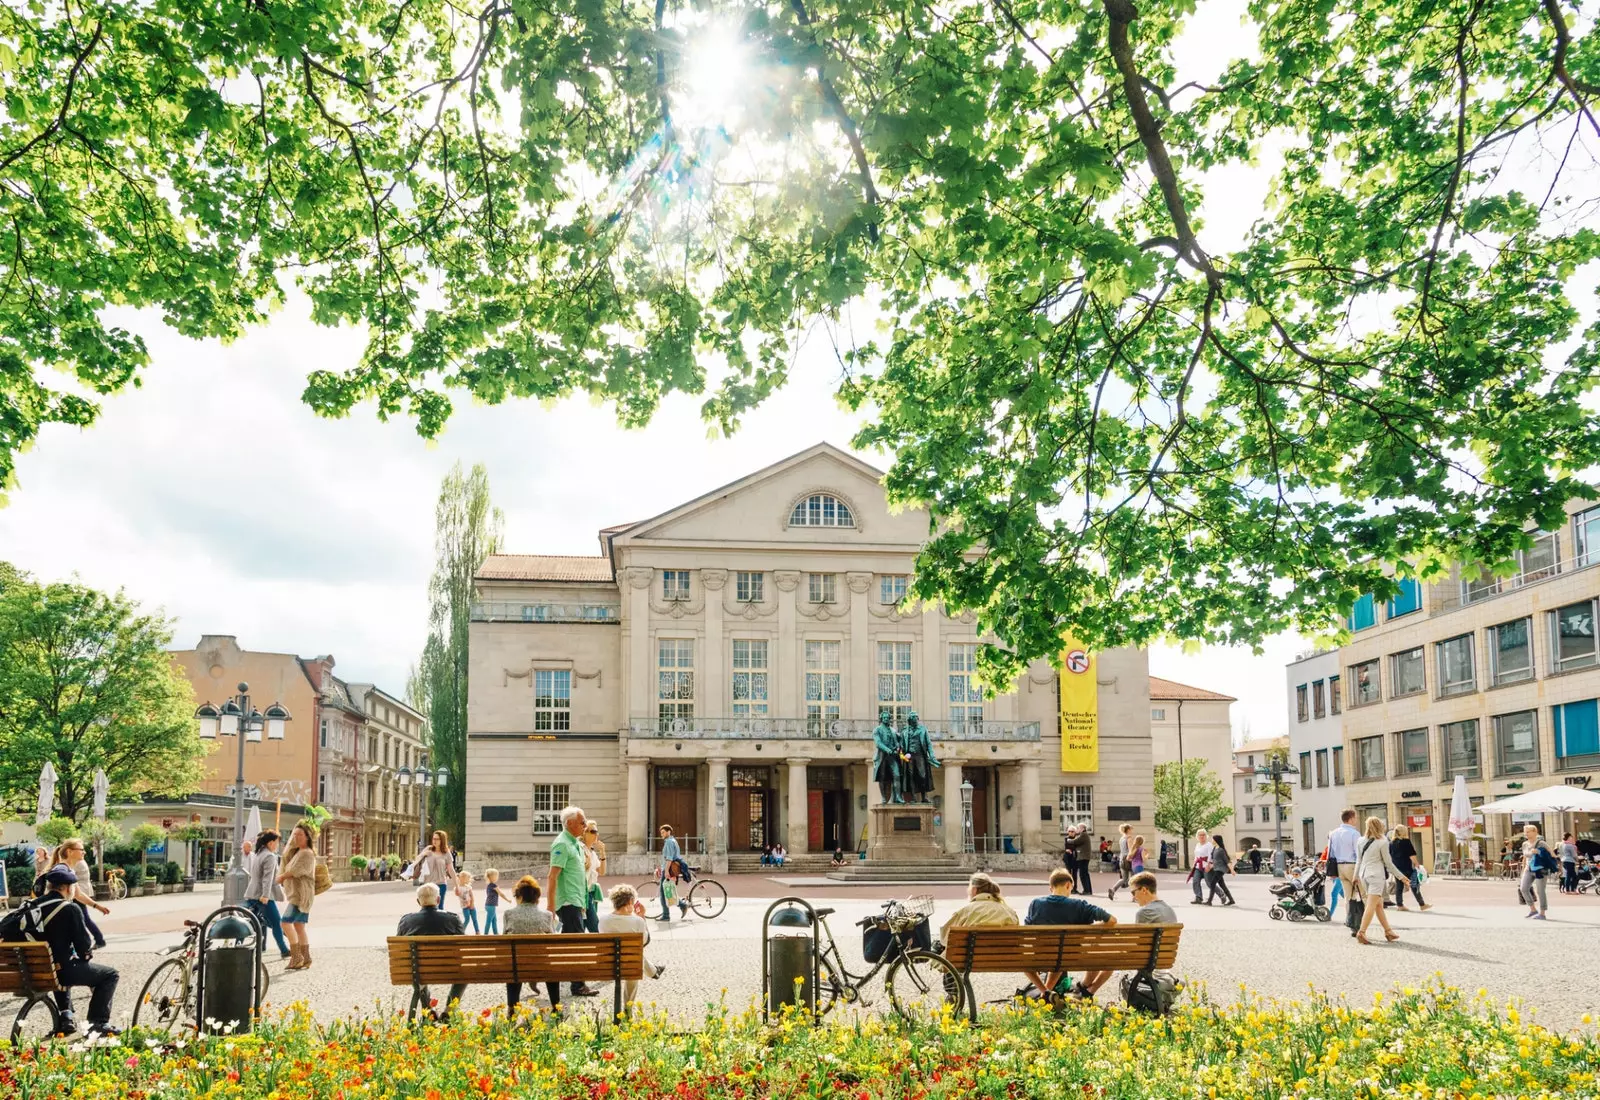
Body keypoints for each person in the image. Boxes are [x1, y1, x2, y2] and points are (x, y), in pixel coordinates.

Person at [27, 865, 119, 1038]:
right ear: (68, 888)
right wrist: (86, 955)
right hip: (61, 972)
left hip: (31, 972)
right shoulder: (70, 908)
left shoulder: (30, 906)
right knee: (110, 975)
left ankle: (66, 1016)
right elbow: (83, 945)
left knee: (56, 966)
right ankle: (97, 1024)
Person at [1024, 867, 1118, 1000]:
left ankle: (1044, 991)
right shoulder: (1079, 905)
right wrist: (1089, 927)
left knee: (1054, 956)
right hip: (1070, 957)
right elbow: (1112, 920)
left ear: (1051, 888)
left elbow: (1028, 929)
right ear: (1068, 885)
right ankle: (1057, 992)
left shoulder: (1035, 904)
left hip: (1041, 954)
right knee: (1066, 955)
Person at [548, 806, 602, 997]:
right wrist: (550, 907)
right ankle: (577, 985)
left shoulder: (574, 844)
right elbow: (552, 876)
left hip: (577, 901)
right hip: (569, 902)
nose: (585, 825)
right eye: (582, 822)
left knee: (570, 943)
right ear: (569, 823)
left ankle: (570, 980)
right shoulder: (562, 844)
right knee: (576, 945)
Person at [397, 883, 467, 1019]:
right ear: (438, 900)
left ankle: (428, 1009)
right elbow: (461, 947)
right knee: (464, 973)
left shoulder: (406, 921)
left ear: (418, 902)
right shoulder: (453, 919)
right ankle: (449, 1010)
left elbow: (401, 952)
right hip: (450, 969)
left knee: (414, 968)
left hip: (418, 971)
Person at [597, 884, 665, 1014]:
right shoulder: (637, 921)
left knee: (631, 954)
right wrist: (642, 917)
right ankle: (628, 1012)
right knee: (635, 955)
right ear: (629, 902)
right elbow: (644, 942)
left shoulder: (603, 920)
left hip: (608, 965)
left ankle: (653, 970)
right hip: (631, 965)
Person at [503, 877, 560, 1013]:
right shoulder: (547, 915)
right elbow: (551, 940)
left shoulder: (509, 914)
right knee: (550, 969)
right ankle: (555, 1006)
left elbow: (504, 937)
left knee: (514, 965)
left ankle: (512, 1007)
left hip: (517, 965)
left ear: (519, 896)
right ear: (537, 897)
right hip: (542, 964)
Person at [49, 839, 109, 949]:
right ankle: (98, 940)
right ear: (69, 852)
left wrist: (97, 906)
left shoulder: (69, 870)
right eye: (81, 849)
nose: (84, 852)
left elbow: (78, 894)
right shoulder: (62, 871)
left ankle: (96, 941)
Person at [1354, 817, 1402, 945]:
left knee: (1378, 904)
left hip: (1363, 875)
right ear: (1380, 827)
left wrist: (1355, 876)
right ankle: (1362, 932)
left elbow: (1358, 860)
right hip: (1376, 876)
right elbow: (1388, 863)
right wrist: (1401, 876)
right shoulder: (1382, 841)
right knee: (1371, 905)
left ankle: (1388, 931)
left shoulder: (1360, 840)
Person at [245, 829, 292, 960]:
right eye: (277, 842)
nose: (278, 845)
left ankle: (262, 947)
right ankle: (284, 950)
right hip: (263, 896)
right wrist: (265, 895)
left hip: (252, 894)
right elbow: (267, 878)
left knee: (263, 922)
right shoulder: (270, 856)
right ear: (271, 843)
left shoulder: (259, 854)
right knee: (277, 923)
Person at [277, 822, 317, 969]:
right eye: (295, 834)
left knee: (285, 923)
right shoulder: (298, 851)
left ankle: (296, 957)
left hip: (300, 896)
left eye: (300, 835)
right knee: (299, 927)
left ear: (307, 837)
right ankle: (306, 958)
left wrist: (280, 878)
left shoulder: (306, 853)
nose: (297, 837)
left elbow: (295, 871)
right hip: (300, 894)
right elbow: (288, 864)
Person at [939, 872, 1020, 945]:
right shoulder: (1010, 912)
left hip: (968, 960)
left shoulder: (966, 911)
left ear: (974, 889)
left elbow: (945, 939)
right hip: (1006, 959)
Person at [1326, 809, 1360, 920]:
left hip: (1339, 867)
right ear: (1350, 819)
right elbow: (1358, 853)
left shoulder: (1333, 833)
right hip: (1352, 865)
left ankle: (1349, 919)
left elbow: (1330, 854)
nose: (1356, 820)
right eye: (1355, 817)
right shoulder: (1354, 833)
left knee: (1347, 896)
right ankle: (1360, 920)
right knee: (1362, 893)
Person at [1519, 822, 1556, 920]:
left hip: (1540, 870)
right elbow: (1524, 857)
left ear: (1535, 832)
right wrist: (1523, 870)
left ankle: (1542, 913)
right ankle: (1533, 909)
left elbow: (1552, 855)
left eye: (1528, 832)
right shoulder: (1525, 844)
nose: (1526, 834)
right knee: (1523, 888)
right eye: (1525, 832)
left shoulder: (1541, 843)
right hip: (1528, 869)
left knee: (1540, 891)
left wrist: (1539, 852)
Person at [1387, 825, 1429, 911]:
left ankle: (1400, 905)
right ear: (1403, 832)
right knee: (1414, 884)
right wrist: (1417, 865)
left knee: (1399, 887)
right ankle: (1422, 904)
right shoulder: (1406, 842)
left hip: (1396, 869)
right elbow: (1412, 855)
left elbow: (1390, 856)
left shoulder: (1391, 843)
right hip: (1407, 868)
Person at [413, 831, 455, 910]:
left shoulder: (446, 852)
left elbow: (451, 869)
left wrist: (457, 885)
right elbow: (417, 860)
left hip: (441, 884)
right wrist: (424, 854)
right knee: (425, 907)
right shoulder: (428, 848)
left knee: (439, 908)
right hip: (427, 885)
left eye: (437, 839)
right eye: (433, 839)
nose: (434, 841)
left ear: (442, 840)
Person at [655, 825, 689, 922]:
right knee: (668, 892)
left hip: (668, 869)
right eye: (661, 833)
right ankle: (681, 905)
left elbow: (669, 858)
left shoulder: (669, 842)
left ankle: (667, 915)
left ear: (669, 832)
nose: (662, 835)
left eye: (663, 832)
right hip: (669, 868)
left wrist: (665, 871)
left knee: (663, 893)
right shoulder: (672, 840)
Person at [582, 821, 606, 932]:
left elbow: (601, 871)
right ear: (584, 833)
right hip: (583, 895)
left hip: (590, 894)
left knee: (580, 929)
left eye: (597, 831)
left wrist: (602, 852)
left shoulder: (592, 852)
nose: (596, 834)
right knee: (595, 929)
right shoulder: (581, 850)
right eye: (593, 831)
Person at [1106, 823, 1135, 901]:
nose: (1132, 831)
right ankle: (1134, 897)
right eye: (1131, 829)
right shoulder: (1129, 838)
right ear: (1128, 830)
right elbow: (1130, 850)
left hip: (1121, 859)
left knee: (1124, 878)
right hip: (1128, 859)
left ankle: (1113, 890)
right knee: (1133, 878)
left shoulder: (1121, 838)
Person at [1204, 835, 1236, 906]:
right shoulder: (1215, 848)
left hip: (1220, 870)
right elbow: (1215, 861)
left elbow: (1227, 861)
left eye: (1213, 839)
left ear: (1216, 840)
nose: (1212, 840)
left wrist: (1232, 870)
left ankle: (1209, 901)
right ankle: (1231, 900)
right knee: (1222, 885)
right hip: (1216, 869)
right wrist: (1210, 866)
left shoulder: (1221, 850)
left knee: (1212, 884)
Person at [1188, 830, 1211, 904]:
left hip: (1206, 866)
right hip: (1198, 866)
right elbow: (1196, 855)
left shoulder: (1209, 845)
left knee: (1209, 883)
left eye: (1203, 835)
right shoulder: (1197, 845)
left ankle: (1221, 894)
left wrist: (1209, 865)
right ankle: (1198, 897)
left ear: (1206, 836)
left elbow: (1211, 856)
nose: (1202, 836)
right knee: (1195, 881)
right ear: (1197, 836)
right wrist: (1194, 864)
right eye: (1200, 835)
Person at [483, 868, 503, 935]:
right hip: (491, 906)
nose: (497, 877)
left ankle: (496, 933)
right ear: (492, 877)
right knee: (489, 921)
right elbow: (501, 894)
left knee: (494, 920)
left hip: (488, 905)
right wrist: (508, 900)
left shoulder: (489, 885)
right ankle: (485, 934)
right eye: (496, 875)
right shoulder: (494, 885)